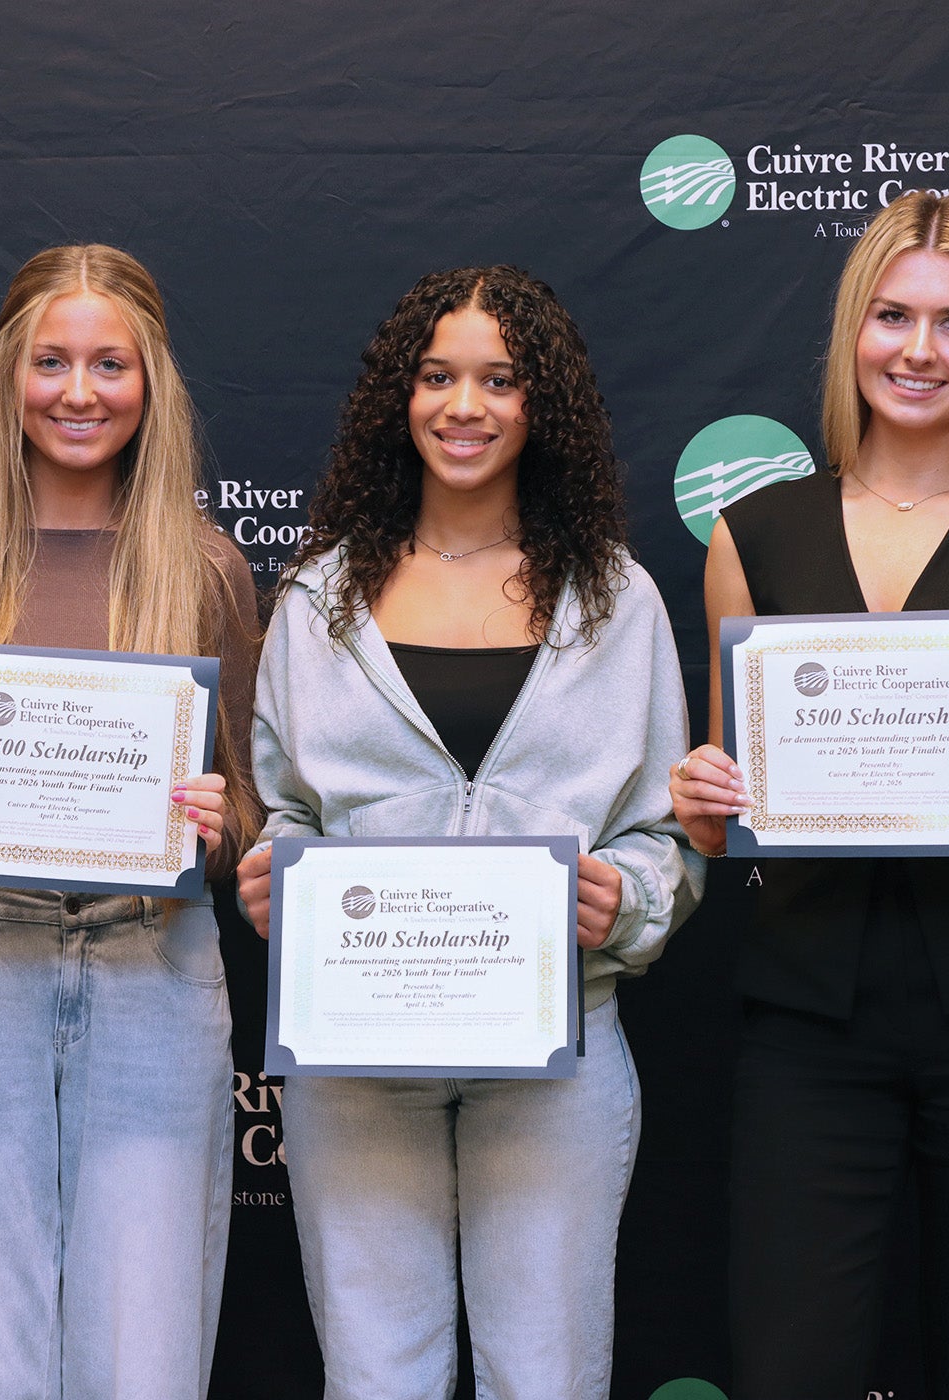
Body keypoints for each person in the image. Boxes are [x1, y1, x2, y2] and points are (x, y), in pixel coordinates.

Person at [669, 192, 949, 1399]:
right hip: (811, 1018)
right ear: (853, 330)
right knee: (789, 1364)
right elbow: (728, 800)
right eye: (893, 315)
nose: (919, 350)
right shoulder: (751, 534)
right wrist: (702, 794)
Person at [236, 266, 703, 1400]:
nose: (465, 406)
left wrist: (626, 899)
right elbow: (286, 805)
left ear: (543, 405)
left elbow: (663, 832)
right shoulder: (317, 597)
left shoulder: (616, 599)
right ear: (399, 396)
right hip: (357, 1057)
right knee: (374, 1372)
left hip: (557, 1054)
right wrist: (270, 879)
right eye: (438, 376)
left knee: (544, 1372)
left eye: (500, 379)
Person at [0, 244, 260, 1399]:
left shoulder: (207, 568)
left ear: (152, 382)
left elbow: (249, 818)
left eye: (109, 363)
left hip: (154, 969)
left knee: (146, 1361)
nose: (78, 392)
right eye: (50, 361)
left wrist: (220, 817)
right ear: (6, 374)